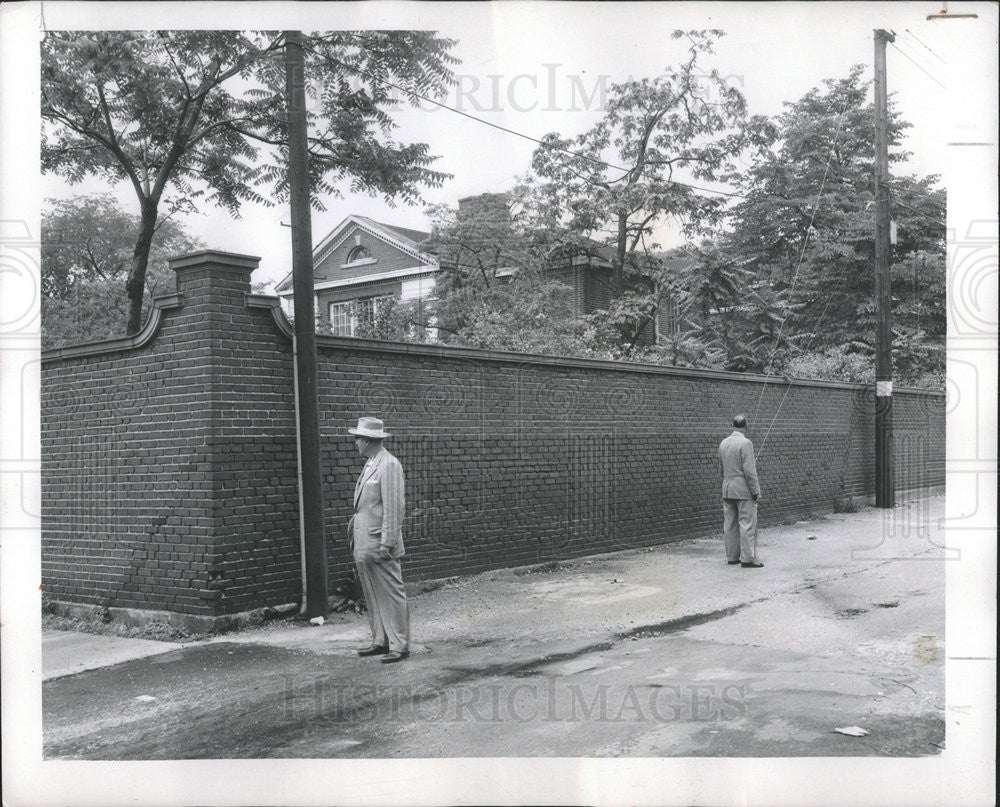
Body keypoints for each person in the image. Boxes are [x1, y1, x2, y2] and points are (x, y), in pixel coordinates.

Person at [348, 416, 410, 663]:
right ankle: (381, 641)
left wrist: (388, 541)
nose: (356, 443)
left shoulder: (389, 465)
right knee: (372, 592)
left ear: (370, 440)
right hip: (364, 541)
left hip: (380, 542)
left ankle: (400, 644)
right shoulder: (371, 463)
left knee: (392, 592)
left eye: (358, 438)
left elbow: (395, 507)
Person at [719, 413, 763, 568]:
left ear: (733, 426)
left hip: (727, 488)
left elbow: (721, 469)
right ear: (746, 426)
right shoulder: (746, 443)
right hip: (743, 490)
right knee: (747, 523)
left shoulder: (723, 443)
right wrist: (756, 490)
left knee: (729, 524)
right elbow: (750, 471)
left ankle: (732, 557)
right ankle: (747, 559)